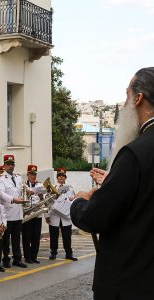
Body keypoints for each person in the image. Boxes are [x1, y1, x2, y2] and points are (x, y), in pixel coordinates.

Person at [71, 67, 154, 300]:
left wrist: (80, 201)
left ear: (138, 99)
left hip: (131, 283)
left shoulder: (134, 153)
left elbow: (96, 217)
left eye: (127, 95)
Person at [0, 154, 27, 268]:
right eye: (8, 164)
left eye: (12, 164)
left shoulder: (18, 177)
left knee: (16, 238)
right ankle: (5, 259)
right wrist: (13, 200)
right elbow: (1, 194)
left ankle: (17, 259)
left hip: (18, 212)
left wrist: (28, 192)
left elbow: (22, 190)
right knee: (5, 239)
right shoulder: (0, 179)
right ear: (4, 166)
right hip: (7, 213)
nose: (11, 166)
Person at [46, 168, 77, 261]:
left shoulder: (70, 188)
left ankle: (69, 254)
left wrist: (70, 200)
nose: (61, 177)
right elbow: (47, 202)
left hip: (66, 216)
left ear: (65, 177)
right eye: (59, 176)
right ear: (57, 177)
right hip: (54, 215)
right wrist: (46, 216)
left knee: (67, 236)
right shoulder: (52, 187)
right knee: (53, 236)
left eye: (63, 176)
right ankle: (53, 253)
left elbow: (73, 200)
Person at [22, 165, 44, 264]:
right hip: (27, 213)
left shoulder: (40, 185)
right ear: (27, 174)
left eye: (34, 174)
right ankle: (27, 257)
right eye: (31, 174)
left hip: (37, 214)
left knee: (36, 237)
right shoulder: (23, 185)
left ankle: (34, 256)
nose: (33, 176)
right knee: (26, 237)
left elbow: (44, 200)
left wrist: (41, 196)